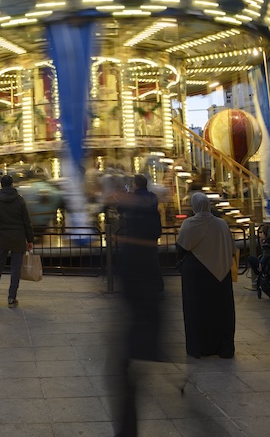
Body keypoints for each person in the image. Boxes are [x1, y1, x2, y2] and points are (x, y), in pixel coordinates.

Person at [114, 173, 165, 435]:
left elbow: (120, 206)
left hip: (136, 322)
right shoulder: (152, 200)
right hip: (149, 249)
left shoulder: (133, 201)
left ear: (135, 185)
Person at [176, 191, 235, 359]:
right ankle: (224, 348)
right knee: (222, 311)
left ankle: (198, 348)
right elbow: (231, 249)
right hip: (220, 273)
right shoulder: (221, 224)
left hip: (196, 274)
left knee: (197, 311)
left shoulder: (189, 224)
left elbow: (181, 249)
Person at [0, 174, 34, 308]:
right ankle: (11, 298)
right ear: (12, 184)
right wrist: (30, 240)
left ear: (1, 185)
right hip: (18, 238)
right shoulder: (20, 201)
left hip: (2, 238)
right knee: (15, 268)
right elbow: (27, 222)